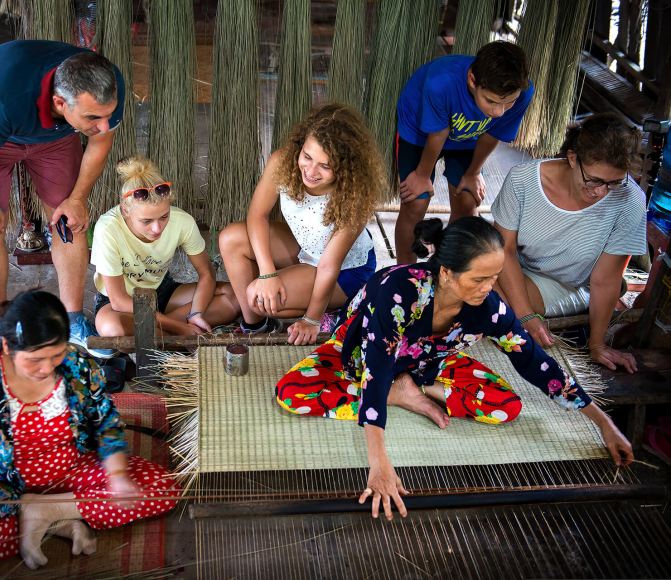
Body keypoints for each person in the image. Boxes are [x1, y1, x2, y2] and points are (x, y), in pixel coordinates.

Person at [276, 217, 633, 520]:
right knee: (291, 394)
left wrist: (604, 423)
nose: (489, 288)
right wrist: (379, 461)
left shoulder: (488, 308)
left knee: (506, 406)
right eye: (479, 279)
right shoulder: (399, 292)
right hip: (362, 357)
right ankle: (396, 394)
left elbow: (535, 362)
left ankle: (412, 390)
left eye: (494, 277)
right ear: (446, 272)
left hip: (429, 364)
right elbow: (376, 364)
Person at [0, 290, 178, 571]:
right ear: (6, 346)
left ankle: (47, 510)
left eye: (56, 354)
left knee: (163, 489)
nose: (47, 367)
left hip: (70, 468)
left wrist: (117, 477)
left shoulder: (79, 366)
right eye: (35, 359)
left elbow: (105, 422)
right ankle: (55, 519)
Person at [0, 40, 126, 355]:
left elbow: (100, 144)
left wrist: (77, 198)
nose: (103, 126)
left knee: (69, 221)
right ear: (60, 102)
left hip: (56, 138)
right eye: (92, 119)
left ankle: (72, 321)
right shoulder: (2, 98)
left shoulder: (107, 86)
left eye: (107, 116)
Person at [492, 113, 646, 373]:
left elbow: (604, 279)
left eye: (614, 183)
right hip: (515, 262)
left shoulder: (630, 200)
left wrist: (597, 345)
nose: (601, 192)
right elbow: (504, 249)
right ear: (573, 158)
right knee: (465, 267)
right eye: (594, 180)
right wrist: (527, 316)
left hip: (567, 283)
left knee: (480, 296)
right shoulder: (523, 180)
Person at [219, 103, 383, 345]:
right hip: (306, 246)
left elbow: (328, 265)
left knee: (257, 296)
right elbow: (257, 215)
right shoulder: (282, 161)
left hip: (345, 270)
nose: (311, 170)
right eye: (307, 156)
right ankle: (255, 326)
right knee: (230, 238)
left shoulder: (355, 196)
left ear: (346, 168)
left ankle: (329, 311)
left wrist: (312, 320)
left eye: (325, 166)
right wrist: (267, 273)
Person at [394, 41, 534, 264]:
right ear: (472, 80)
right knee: (416, 203)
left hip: (467, 136)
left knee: (467, 202)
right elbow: (438, 134)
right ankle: (404, 272)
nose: (499, 112)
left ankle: (449, 269)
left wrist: (473, 173)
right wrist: (421, 176)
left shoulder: (523, 93)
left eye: (509, 103)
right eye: (491, 101)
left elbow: (492, 133)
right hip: (420, 132)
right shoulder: (440, 82)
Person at [91, 156, 240, 339]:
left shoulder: (182, 221)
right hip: (122, 305)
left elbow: (207, 273)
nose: (157, 228)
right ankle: (173, 334)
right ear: (125, 210)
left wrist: (197, 313)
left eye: (164, 216)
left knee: (234, 296)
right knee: (112, 330)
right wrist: (178, 327)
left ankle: (155, 336)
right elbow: (118, 300)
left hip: (161, 290)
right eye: (146, 221)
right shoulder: (107, 229)